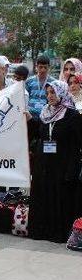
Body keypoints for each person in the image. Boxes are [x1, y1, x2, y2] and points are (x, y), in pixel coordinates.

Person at [29, 80, 82, 243]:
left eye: (53, 92)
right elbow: (38, 135)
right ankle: (42, 230)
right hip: (44, 164)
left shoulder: (72, 115)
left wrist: (72, 168)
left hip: (63, 164)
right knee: (44, 196)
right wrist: (29, 120)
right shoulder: (45, 113)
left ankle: (59, 233)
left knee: (61, 198)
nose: (49, 96)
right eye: (48, 93)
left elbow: (78, 143)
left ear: (62, 93)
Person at [25, 55, 54, 121]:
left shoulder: (53, 82)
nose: (43, 70)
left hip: (46, 116)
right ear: (36, 67)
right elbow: (25, 98)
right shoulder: (29, 81)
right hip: (30, 116)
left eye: (45, 67)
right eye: (40, 67)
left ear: (49, 67)